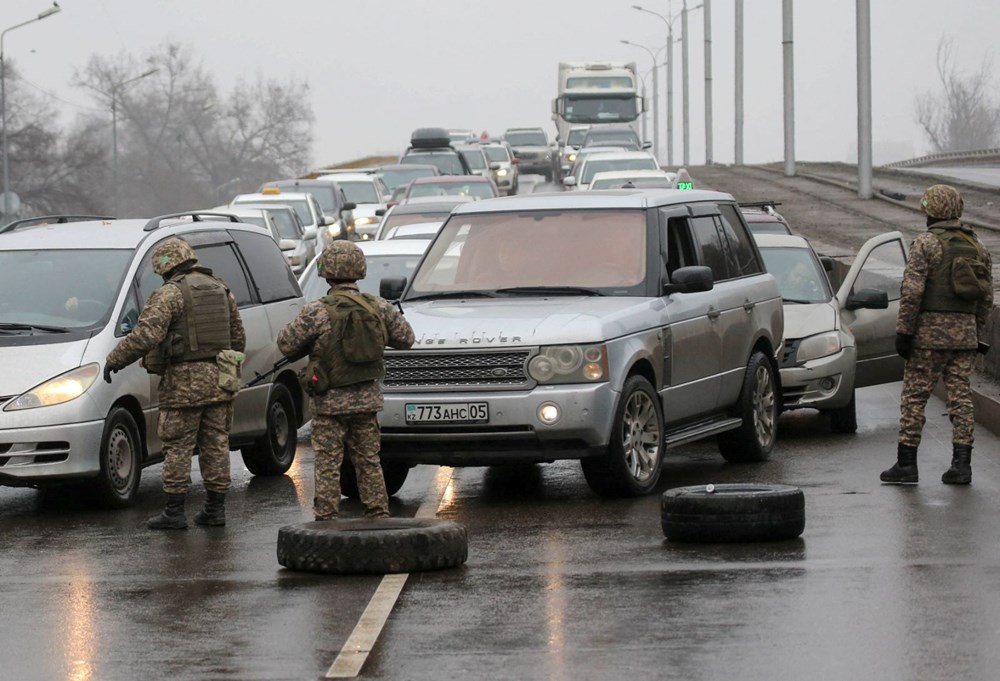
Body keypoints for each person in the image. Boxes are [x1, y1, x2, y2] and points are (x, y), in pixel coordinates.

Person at [105, 238, 246, 528]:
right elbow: (238, 339)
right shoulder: (221, 289)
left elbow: (146, 336)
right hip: (220, 381)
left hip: (182, 385)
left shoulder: (170, 294)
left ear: (164, 266)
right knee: (216, 444)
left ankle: (174, 511)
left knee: (177, 447)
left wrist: (114, 360)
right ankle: (215, 509)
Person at [277, 240, 414, 521]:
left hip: (329, 402)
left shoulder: (316, 311)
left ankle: (326, 519)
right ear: (360, 270)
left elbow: (286, 345)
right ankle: (378, 513)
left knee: (328, 463)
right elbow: (406, 339)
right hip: (366, 400)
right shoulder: (378, 307)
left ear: (326, 271)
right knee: (369, 461)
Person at [881, 184, 993, 485]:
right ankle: (962, 465)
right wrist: (980, 334)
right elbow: (986, 297)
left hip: (928, 337)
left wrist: (904, 331)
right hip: (965, 337)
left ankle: (906, 465)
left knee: (914, 398)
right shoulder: (978, 246)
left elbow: (912, 291)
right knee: (961, 398)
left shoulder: (926, 243)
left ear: (930, 210)